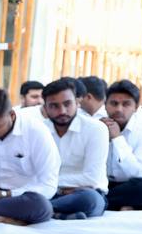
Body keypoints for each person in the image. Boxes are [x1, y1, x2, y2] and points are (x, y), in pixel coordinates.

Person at [0, 87, 60, 226]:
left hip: (21, 197)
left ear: (11, 115)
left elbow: (49, 185)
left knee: (41, 206)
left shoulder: (36, 131)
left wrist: (5, 194)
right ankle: (0, 216)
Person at [42, 77, 109, 220]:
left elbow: (92, 177)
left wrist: (51, 183)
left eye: (67, 104)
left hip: (83, 193)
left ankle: (39, 210)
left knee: (91, 200)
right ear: (45, 108)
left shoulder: (96, 129)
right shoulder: (39, 130)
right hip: (47, 192)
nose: (62, 111)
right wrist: (55, 187)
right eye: (54, 106)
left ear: (77, 102)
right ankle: (55, 213)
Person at [101, 80, 142, 211]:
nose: (119, 109)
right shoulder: (98, 126)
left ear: (136, 107)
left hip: (138, 183)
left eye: (126, 104)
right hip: (108, 185)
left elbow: (135, 171)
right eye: (114, 103)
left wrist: (117, 138)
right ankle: (114, 204)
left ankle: (97, 202)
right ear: (105, 105)